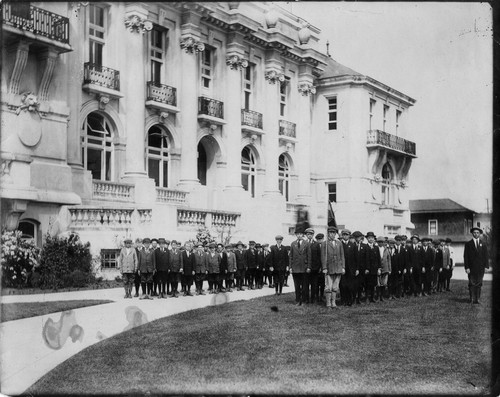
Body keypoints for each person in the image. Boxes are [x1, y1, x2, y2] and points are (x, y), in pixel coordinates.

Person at [321, 226, 345, 309]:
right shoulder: (325, 243)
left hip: (338, 267)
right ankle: (328, 303)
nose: (332, 234)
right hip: (329, 268)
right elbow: (323, 257)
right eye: (330, 233)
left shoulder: (339, 243)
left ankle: (333, 302)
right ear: (328, 233)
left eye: (334, 233)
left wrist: (343, 267)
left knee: (335, 287)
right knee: (328, 287)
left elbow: (342, 256)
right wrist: (324, 267)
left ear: (335, 234)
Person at [464, 227, 489, 304]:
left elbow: (486, 256)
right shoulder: (468, 244)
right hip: (471, 268)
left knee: (479, 283)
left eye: (477, 233)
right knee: (471, 283)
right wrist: (467, 267)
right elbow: (466, 256)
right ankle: (471, 299)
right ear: (472, 233)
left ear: (480, 234)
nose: (476, 234)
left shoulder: (483, 244)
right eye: (474, 232)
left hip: (480, 268)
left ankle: (477, 299)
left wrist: (486, 266)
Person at [289, 230, 311, 306]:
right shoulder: (293, 244)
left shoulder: (307, 244)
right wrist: (290, 267)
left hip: (304, 268)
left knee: (305, 285)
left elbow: (309, 256)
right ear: (296, 235)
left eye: (300, 234)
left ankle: (304, 300)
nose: (299, 235)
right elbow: (290, 257)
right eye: (297, 234)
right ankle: (298, 299)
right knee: (297, 285)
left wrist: (308, 267)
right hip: (295, 268)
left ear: (303, 235)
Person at [364, 232, 381, 303]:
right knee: (367, 284)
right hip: (367, 269)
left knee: (373, 284)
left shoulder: (376, 248)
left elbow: (378, 259)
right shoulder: (365, 247)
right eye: (369, 238)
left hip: (374, 269)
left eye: (372, 238)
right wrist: (366, 268)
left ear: (374, 239)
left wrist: (379, 268)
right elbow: (364, 259)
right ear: (367, 239)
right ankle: (367, 298)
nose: (371, 239)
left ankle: (372, 297)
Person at [351, 231, 367, 304]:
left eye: (359, 237)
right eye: (356, 237)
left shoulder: (364, 246)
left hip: (362, 269)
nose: (358, 239)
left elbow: (367, 258)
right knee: (354, 284)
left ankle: (359, 298)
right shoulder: (351, 245)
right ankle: (353, 298)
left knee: (360, 284)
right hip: (353, 268)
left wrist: (366, 268)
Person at [307, 230, 322, 304]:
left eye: (311, 234)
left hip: (315, 268)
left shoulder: (316, 244)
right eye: (308, 234)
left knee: (314, 284)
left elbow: (319, 256)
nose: (309, 235)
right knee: (306, 284)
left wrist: (319, 267)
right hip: (306, 268)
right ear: (306, 235)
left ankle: (313, 299)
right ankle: (306, 299)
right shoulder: (304, 243)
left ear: (313, 235)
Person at [376, 237, 391, 301]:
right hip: (378, 268)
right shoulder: (376, 249)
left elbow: (389, 260)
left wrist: (389, 269)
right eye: (379, 242)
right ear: (377, 242)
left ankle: (382, 296)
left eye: (382, 242)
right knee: (378, 283)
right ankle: (378, 296)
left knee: (384, 283)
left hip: (385, 268)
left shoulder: (386, 250)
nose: (381, 243)